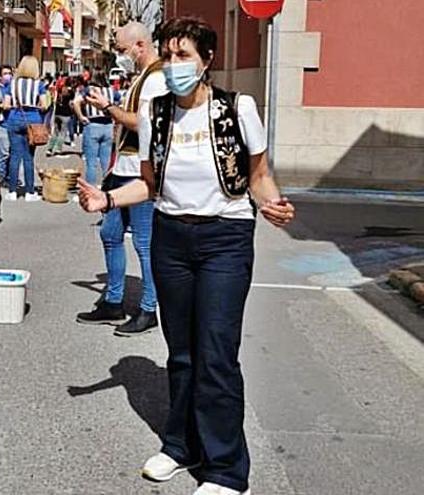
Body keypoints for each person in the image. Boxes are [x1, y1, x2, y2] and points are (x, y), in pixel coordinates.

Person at [78, 17, 296, 495]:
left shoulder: (237, 108)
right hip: (172, 237)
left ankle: (226, 472)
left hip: (225, 238)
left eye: (185, 56)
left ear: (207, 61)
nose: (175, 65)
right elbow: (151, 183)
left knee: (215, 353)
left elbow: (258, 175)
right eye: (170, 55)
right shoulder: (156, 111)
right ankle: (181, 446)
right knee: (180, 353)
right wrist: (107, 200)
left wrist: (271, 204)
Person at [76, 22, 168, 335]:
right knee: (110, 234)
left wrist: (109, 107)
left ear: (140, 45)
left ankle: (148, 308)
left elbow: (143, 123)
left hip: (141, 176)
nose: (119, 55)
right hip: (122, 171)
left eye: (121, 49)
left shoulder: (156, 79)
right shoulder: (140, 77)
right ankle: (113, 301)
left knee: (144, 243)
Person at [3, 55, 48, 202]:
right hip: (33, 122)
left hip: (14, 120)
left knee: (15, 156)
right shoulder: (39, 84)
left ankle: (12, 191)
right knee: (29, 157)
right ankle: (30, 192)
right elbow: (44, 105)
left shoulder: (12, 84)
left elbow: (5, 105)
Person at [74, 72, 120, 184]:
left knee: (91, 163)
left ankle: (91, 189)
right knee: (106, 162)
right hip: (108, 125)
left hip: (93, 125)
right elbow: (119, 101)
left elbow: (76, 101)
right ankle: (107, 188)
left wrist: (81, 116)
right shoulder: (111, 90)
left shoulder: (89, 90)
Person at [45, 82, 75, 157]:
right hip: (66, 114)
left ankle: (50, 149)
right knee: (63, 132)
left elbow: (54, 101)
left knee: (55, 132)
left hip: (57, 113)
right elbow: (72, 101)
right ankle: (58, 148)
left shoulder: (58, 92)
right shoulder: (69, 93)